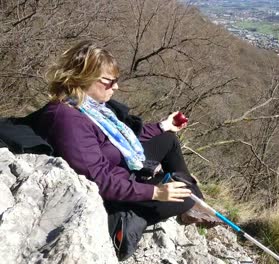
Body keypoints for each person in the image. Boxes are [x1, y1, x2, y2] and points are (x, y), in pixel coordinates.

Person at [32, 40, 213, 228]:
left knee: (167, 139)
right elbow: (98, 180)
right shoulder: (68, 119)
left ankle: (192, 201)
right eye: (110, 81)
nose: (116, 87)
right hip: (113, 190)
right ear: (83, 78)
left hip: (121, 167)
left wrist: (163, 126)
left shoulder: (91, 107)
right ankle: (128, 221)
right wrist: (155, 192)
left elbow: (122, 138)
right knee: (187, 195)